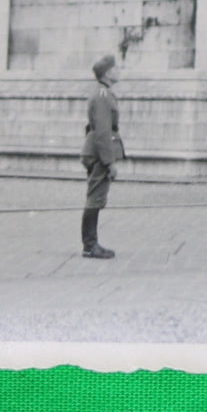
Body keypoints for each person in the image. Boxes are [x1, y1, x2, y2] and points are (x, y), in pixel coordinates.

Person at [79, 54, 125, 259]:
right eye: (116, 68)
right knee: (95, 198)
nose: (118, 71)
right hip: (100, 153)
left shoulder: (102, 93)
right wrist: (109, 162)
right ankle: (90, 245)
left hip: (96, 151)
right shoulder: (102, 95)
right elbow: (103, 131)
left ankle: (90, 243)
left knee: (95, 197)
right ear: (107, 73)